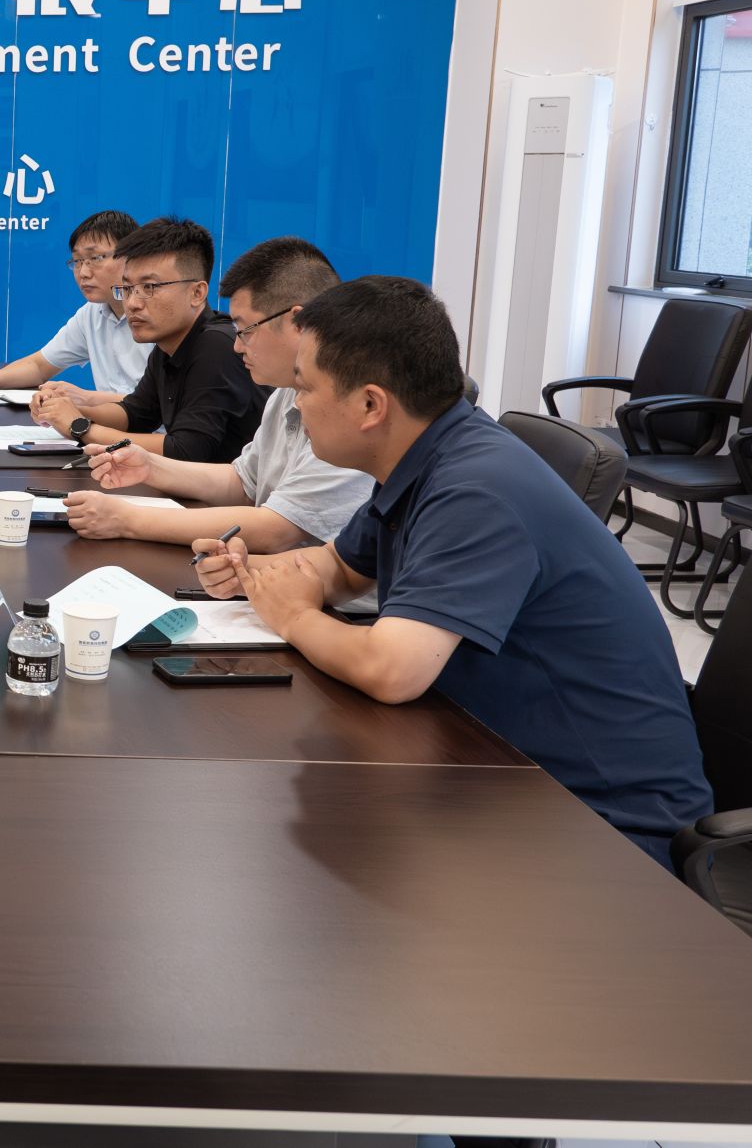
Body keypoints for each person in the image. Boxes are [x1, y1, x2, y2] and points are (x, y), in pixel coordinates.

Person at [194, 276, 711, 867]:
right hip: (495, 768)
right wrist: (258, 574)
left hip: (604, 829)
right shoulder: (425, 456)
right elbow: (338, 565)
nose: (295, 402)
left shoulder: (476, 490)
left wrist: (292, 615)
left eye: (305, 386)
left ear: (370, 405)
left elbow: (392, 671)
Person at [64, 236, 371, 555]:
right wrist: (149, 466)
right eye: (128, 289)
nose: (237, 346)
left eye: (245, 330)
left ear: (297, 322)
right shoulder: (285, 392)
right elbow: (242, 482)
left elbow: (277, 529)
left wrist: (127, 520)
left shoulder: (348, 406)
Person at [33, 216, 267, 462]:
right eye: (127, 289)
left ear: (197, 293)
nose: (133, 303)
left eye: (149, 288)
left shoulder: (217, 346)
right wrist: (67, 411)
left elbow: (185, 450)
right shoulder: (168, 344)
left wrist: (80, 427)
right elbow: (136, 413)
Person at [0, 209, 150, 397]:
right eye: (77, 261)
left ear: (130, 256)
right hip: (109, 418)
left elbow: (152, 404)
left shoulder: (156, 313)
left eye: (95, 258)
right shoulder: (91, 313)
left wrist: (84, 399)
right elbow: (39, 366)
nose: (83, 273)